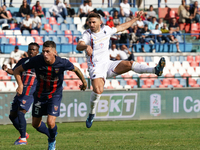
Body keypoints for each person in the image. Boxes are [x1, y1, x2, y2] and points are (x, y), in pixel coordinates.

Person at [76, 12, 166, 128]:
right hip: (96, 67)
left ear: (100, 22)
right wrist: (86, 46)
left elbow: (121, 27)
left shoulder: (106, 30)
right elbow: (79, 45)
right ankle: (91, 114)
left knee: (130, 63)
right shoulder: (87, 34)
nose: (91, 24)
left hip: (108, 64)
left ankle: (155, 70)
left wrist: (135, 19)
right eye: (90, 22)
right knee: (98, 90)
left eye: (94, 22)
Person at [14, 41, 87, 150]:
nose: (45, 54)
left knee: (50, 121)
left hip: (54, 95)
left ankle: (51, 141)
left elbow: (76, 69)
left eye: (48, 52)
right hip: (39, 95)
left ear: (54, 52)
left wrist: (84, 82)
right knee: (35, 124)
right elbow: (17, 70)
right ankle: (52, 134)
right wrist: (20, 85)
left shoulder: (62, 62)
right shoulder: (36, 60)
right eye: (43, 51)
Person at [2, 43, 39, 145]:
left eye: (34, 50)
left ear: (37, 51)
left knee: (20, 113)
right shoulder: (22, 61)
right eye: (30, 49)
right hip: (20, 91)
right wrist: (6, 69)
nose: (31, 51)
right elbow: (14, 71)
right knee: (12, 116)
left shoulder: (40, 63)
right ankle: (24, 133)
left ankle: (23, 138)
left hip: (29, 92)